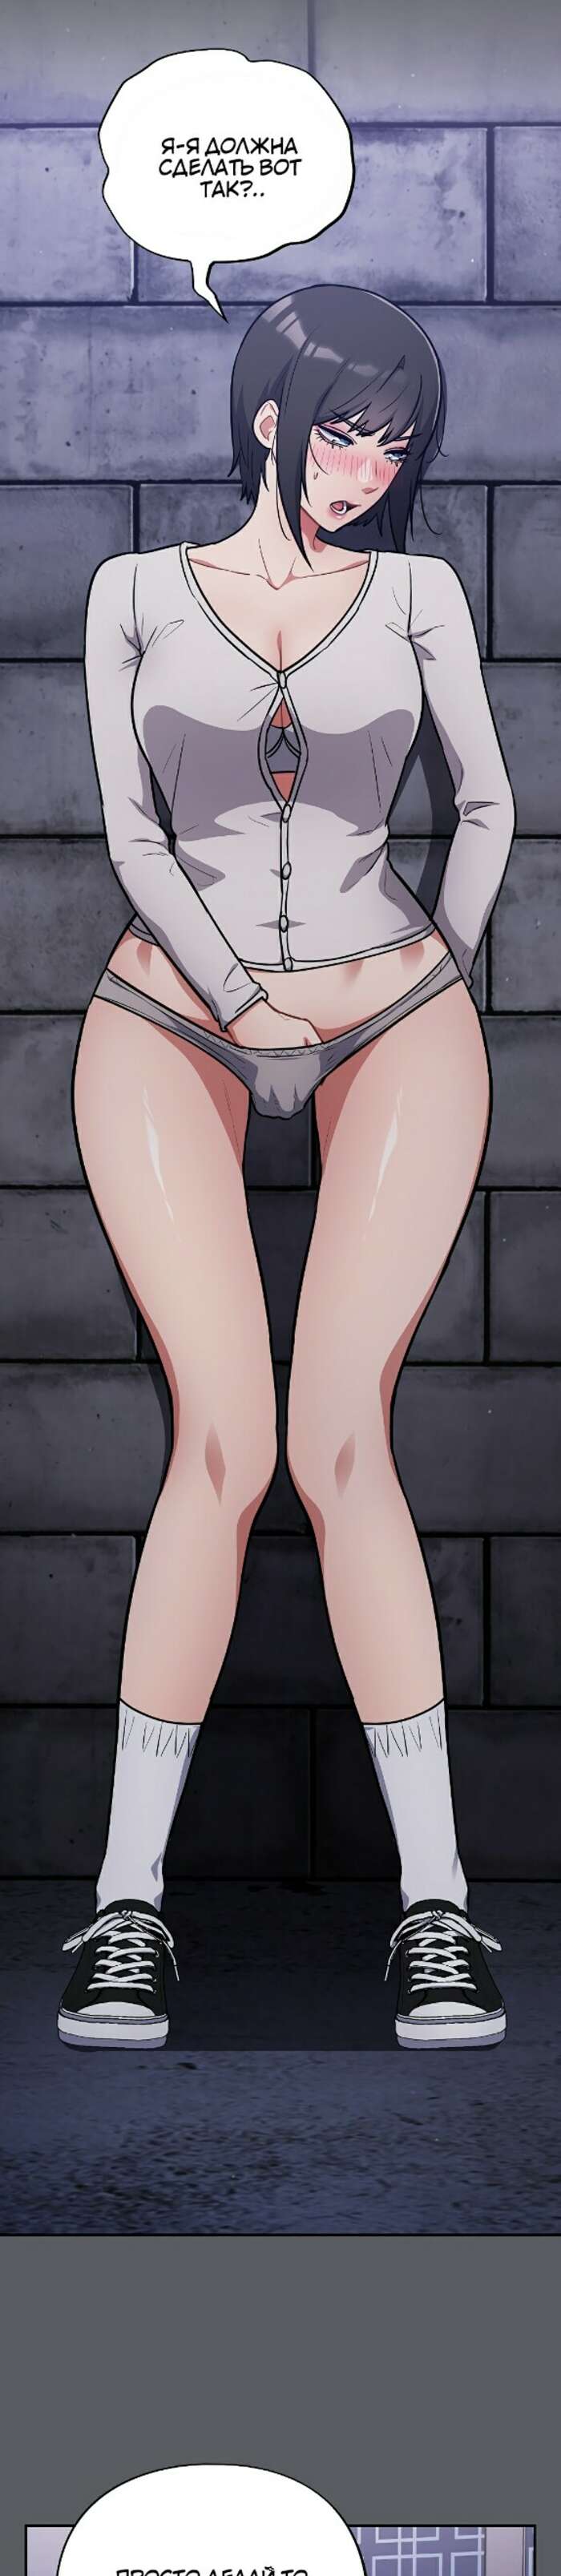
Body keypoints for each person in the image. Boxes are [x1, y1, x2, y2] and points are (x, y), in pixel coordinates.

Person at [59, 282, 515, 2056]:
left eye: (396, 443)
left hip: (392, 1018)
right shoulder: (131, 595)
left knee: (340, 1441)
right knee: (223, 1444)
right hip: (164, 1018)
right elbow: (131, 833)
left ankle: (435, 1907)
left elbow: (485, 802)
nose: (369, 466)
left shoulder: (418, 597)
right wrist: (245, 1007)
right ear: (269, 417)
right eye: (345, 430)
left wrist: (432, 969)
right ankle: (126, 1905)